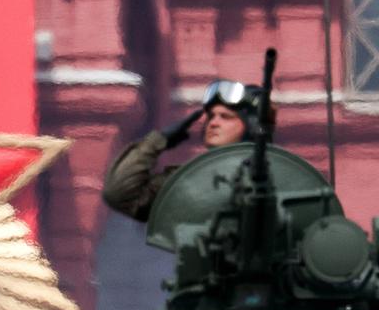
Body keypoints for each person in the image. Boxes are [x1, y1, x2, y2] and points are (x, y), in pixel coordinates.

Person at [103, 80, 265, 222]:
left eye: (225, 116)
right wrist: (157, 141)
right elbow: (121, 194)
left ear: (250, 126)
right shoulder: (191, 181)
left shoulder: (276, 177)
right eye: (211, 116)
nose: (213, 123)